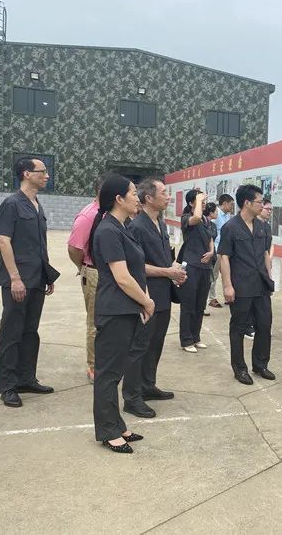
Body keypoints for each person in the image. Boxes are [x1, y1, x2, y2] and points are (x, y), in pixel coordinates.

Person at [89, 175, 153, 453]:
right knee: (108, 373)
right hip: (115, 310)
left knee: (115, 372)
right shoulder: (108, 230)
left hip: (125, 309)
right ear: (118, 199)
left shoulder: (121, 227)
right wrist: (147, 302)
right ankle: (107, 431)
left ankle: (117, 425)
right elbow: (122, 277)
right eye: (132, 193)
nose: (137, 197)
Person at [0, 158, 60, 408]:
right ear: (26, 174)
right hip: (17, 280)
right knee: (12, 332)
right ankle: (7, 386)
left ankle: (26, 378)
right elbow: (4, 242)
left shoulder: (36, 204)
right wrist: (15, 278)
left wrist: (47, 274)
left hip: (36, 278)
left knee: (30, 331)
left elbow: (38, 243)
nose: (46, 175)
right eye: (42, 172)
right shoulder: (12, 204)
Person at [124, 179, 186, 417]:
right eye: (163, 193)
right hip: (146, 296)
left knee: (155, 345)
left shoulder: (159, 223)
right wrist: (167, 272)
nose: (168, 196)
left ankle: (148, 386)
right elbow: (135, 267)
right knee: (139, 347)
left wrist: (174, 272)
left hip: (163, 294)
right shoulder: (137, 227)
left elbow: (161, 259)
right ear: (148, 198)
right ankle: (132, 397)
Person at [218, 184, 275, 385]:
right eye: (259, 202)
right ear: (247, 203)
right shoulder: (230, 228)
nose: (263, 205)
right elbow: (224, 257)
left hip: (261, 285)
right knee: (239, 328)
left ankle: (260, 364)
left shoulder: (263, 227)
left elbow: (265, 255)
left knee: (264, 325)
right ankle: (240, 368)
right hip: (241, 286)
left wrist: (270, 277)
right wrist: (227, 286)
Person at [67, 172, 111, 384]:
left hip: (112, 273)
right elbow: (74, 248)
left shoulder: (111, 213)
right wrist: (83, 267)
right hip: (94, 272)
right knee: (96, 322)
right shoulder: (88, 216)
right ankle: (94, 366)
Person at [178, 190, 214, 352]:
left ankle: (195, 337)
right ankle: (186, 340)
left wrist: (212, 252)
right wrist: (198, 199)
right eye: (200, 201)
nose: (204, 203)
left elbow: (211, 238)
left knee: (200, 305)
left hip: (205, 267)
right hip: (191, 266)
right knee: (188, 304)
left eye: (204, 200)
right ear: (192, 203)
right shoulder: (187, 219)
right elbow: (196, 217)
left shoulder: (206, 220)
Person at [207, 194, 234, 309]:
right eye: (231, 204)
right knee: (214, 275)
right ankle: (212, 298)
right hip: (217, 250)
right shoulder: (216, 214)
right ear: (225, 203)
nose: (232, 207)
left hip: (226, 250)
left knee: (227, 274)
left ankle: (228, 296)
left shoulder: (227, 216)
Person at [202, 202, 218, 317]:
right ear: (211, 212)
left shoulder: (212, 225)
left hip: (212, 256)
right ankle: (202, 306)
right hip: (203, 257)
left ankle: (205, 305)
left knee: (210, 281)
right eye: (215, 211)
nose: (217, 213)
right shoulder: (202, 223)